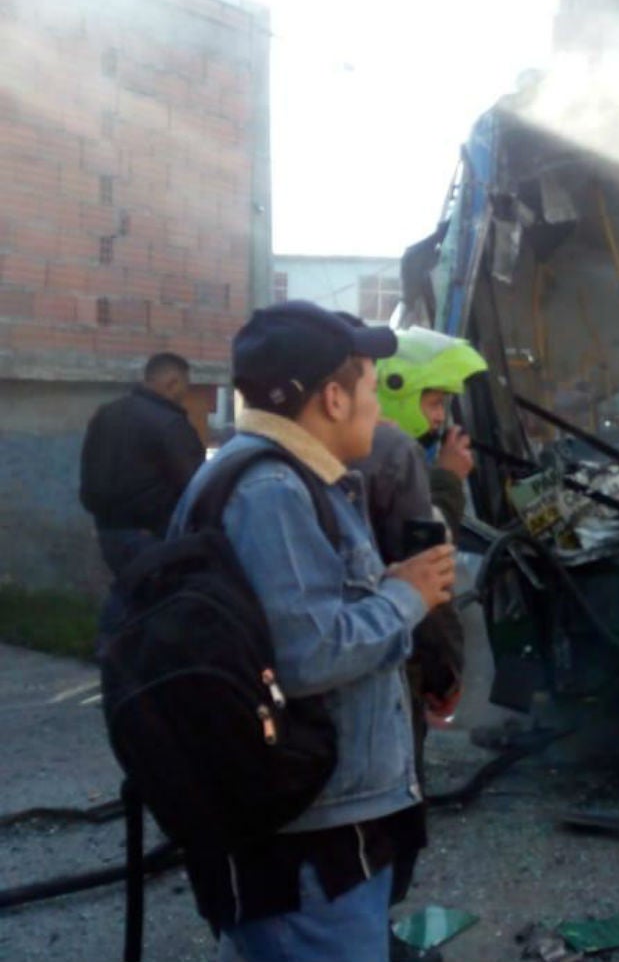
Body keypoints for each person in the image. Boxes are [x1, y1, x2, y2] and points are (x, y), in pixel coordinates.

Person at [169, 301, 456, 962]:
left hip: (319, 823)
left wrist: (390, 587)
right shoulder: (271, 491)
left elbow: (296, 625)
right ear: (332, 397)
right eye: (369, 388)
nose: (379, 410)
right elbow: (309, 654)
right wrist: (407, 596)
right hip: (309, 839)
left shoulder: (287, 480)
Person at [356, 327, 486, 961]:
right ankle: (365, 941)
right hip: (391, 676)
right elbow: (430, 566)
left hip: (385, 675)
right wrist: (447, 481)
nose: (441, 417)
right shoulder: (392, 464)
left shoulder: (373, 458)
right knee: (386, 817)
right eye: (435, 404)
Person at [79, 352, 205, 635]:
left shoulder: (106, 414)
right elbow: (196, 484)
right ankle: (126, 660)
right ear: (172, 383)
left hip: (107, 528)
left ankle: (116, 659)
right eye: (185, 387)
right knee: (154, 603)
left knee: (130, 592)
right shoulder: (169, 424)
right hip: (151, 531)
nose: (184, 395)